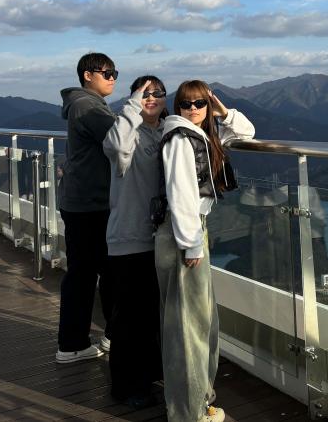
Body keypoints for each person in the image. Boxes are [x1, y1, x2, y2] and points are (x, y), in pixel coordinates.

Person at [157, 80, 255, 422]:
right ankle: (189, 413)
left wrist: (223, 111)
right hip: (183, 234)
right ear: (178, 107)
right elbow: (180, 195)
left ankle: (196, 403)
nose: (193, 109)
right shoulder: (180, 140)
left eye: (200, 103)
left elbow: (246, 132)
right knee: (189, 328)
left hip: (191, 230)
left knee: (196, 322)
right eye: (186, 103)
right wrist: (192, 243)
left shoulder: (201, 135)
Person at [103, 76, 167, 407]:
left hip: (160, 238)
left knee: (149, 316)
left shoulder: (167, 130)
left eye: (157, 93)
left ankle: (147, 378)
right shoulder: (125, 132)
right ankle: (125, 388)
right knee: (129, 319)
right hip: (129, 238)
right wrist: (133, 106)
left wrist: (221, 111)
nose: (150, 98)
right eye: (144, 92)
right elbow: (115, 147)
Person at [55, 53, 118, 364]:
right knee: (92, 273)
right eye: (107, 72)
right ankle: (75, 344)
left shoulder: (84, 104)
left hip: (83, 201)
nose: (112, 78)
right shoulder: (87, 106)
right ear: (87, 75)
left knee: (92, 271)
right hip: (90, 204)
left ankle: (84, 340)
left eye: (115, 73)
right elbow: (121, 139)